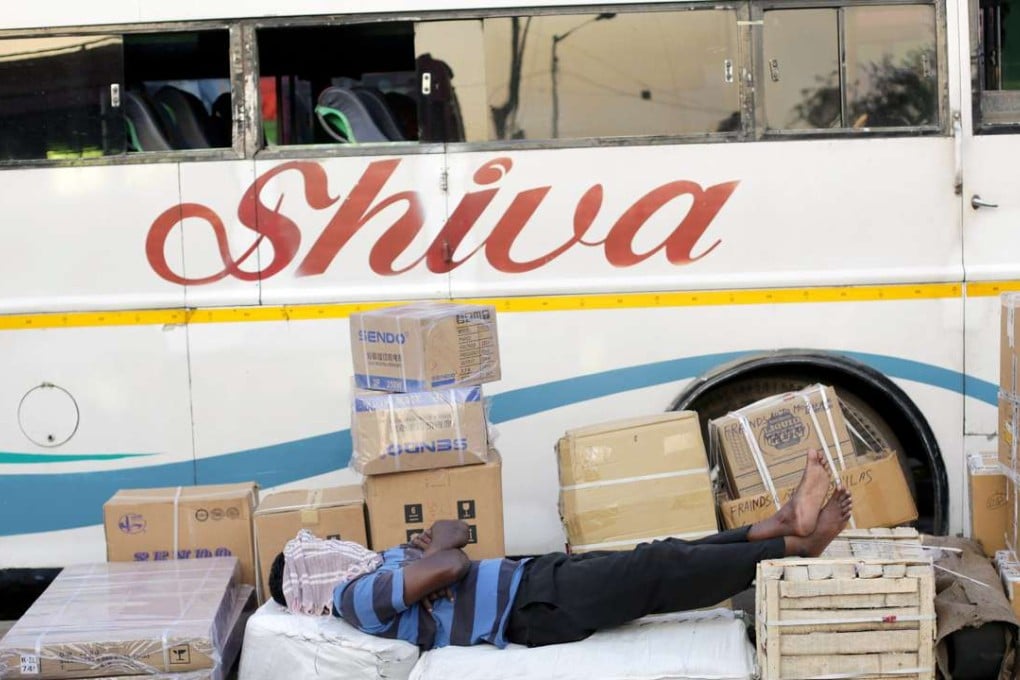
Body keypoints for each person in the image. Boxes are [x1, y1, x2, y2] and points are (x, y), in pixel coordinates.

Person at [268, 450, 851, 650]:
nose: (338, 546)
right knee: (657, 570)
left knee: (660, 552)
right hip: (532, 609)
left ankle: (781, 526)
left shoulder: (379, 572)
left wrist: (441, 546)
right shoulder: (355, 598)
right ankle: (792, 546)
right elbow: (449, 557)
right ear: (309, 577)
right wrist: (438, 550)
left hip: (534, 579)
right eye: (324, 549)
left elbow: (454, 538)